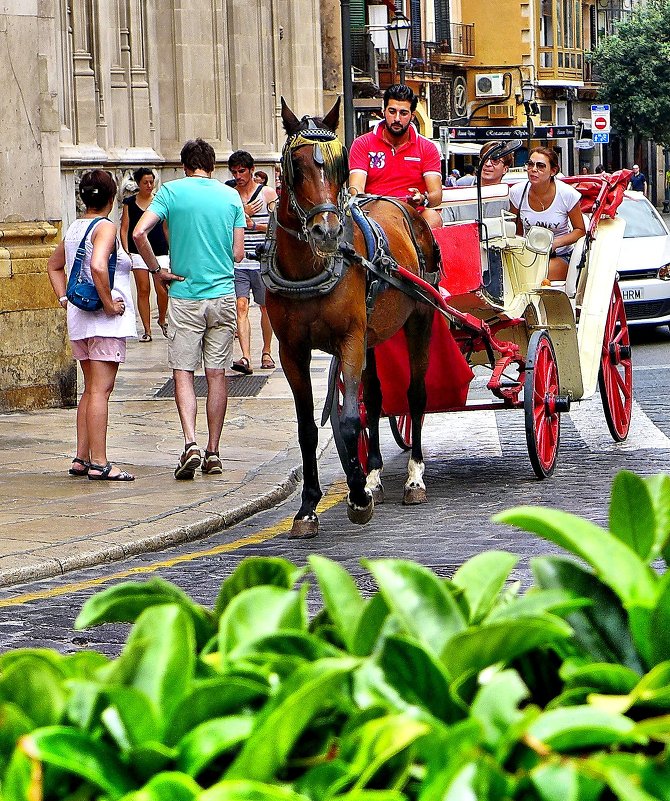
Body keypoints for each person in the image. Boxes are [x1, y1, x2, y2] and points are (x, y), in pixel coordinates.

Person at [132, 138, 245, 480]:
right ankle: (213, 450)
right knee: (217, 374)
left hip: (184, 293)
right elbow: (238, 253)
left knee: (183, 372)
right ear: (212, 166)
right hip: (223, 294)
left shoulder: (171, 192)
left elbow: (139, 233)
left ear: (184, 166)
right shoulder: (230, 196)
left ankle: (190, 443)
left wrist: (156, 270)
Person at [47, 169, 136, 481]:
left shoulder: (75, 228)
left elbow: (53, 265)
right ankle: (100, 462)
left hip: (80, 319)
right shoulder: (106, 228)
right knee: (101, 390)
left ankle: (82, 456)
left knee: (90, 390)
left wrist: (64, 299)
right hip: (103, 322)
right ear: (111, 199)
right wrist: (110, 304)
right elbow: (99, 265)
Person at [348, 84, 443, 228]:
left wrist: (422, 198)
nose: (397, 118)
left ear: (412, 115)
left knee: (433, 218)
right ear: (383, 111)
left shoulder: (427, 147)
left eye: (403, 113)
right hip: (373, 216)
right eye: (392, 111)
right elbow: (356, 187)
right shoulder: (362, 143)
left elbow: (436, 195)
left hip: (412, 216)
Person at [227, 150, 278, 374]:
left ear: (251, 170)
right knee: (241, 306)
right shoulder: (229, 196)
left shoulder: (267, 194)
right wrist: (241, 214)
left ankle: (266, 350)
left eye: (242, 171)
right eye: (234, 172)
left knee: (266, 307)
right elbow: (222, 226)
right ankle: (246, 356)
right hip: (239, 261)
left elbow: (278, 228)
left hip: (263, 260)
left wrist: (254, 225)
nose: (238, 176)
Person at [509, 146, 586, 282]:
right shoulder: (517, 192)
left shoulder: (567, 194)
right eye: (530, 164)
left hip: (560, 254)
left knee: (539, 275)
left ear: (553, 171)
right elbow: (515, 228)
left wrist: (555, 243)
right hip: (528, 255)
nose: (533, 170)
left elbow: (580, 230)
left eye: (541, 166)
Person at [120, 167, 169, 341]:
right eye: (145, 182)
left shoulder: (160, 201)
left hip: (160, 249)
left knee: (162, 288)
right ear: (138, 184)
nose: (149, 185)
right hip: (137, 250)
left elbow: (165, 227)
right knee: (143, 289)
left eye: (151, 182)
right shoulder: (129, 203)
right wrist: (126, 251)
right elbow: (125, 228)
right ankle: (147, 330)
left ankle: (162, 318)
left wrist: (172, 248)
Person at [443, 141, 513, 223]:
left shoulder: (509, 197)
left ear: (505, 169)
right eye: (484, 158)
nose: (487, 164)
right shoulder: (461, 188)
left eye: (495, 160)